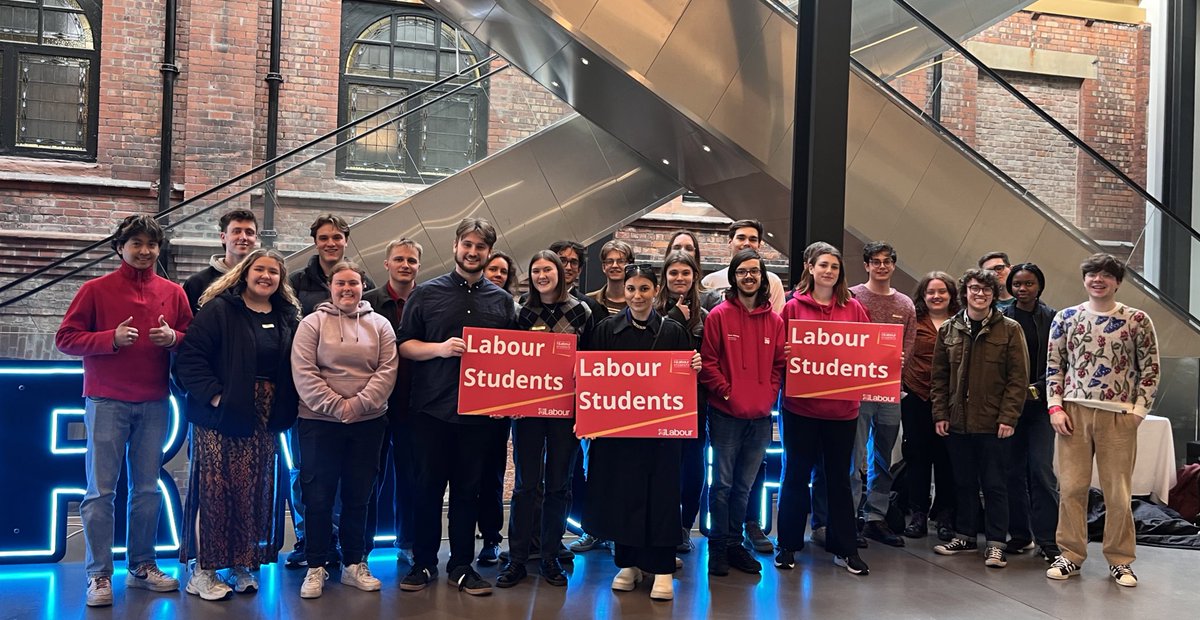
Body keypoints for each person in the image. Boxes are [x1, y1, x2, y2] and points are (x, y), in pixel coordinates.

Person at [56, 214, 192, 607]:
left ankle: (142, 565)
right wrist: (109, 339)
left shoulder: (173, 292)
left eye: (151, 244)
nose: (145, 251)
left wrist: (174, 338)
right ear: (120, 247)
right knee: (100, 491)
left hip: (154, 402)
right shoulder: (94, 290)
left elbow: (192, 339)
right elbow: (65, 338)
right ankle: (98, 574)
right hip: (105, 400)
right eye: (136, 243)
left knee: (147, 490)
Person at [396, 217, 516, 596]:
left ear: (489, 253)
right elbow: (405, 345)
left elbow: (511, 361)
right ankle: (423, 564)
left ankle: (461, 566)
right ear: (455, 246)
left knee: (469, 493)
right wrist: (441, 349)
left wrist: (505, 401)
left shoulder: (503, 302)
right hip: (431, 411)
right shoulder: (426, 294)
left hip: (479, 416)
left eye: (481, 246)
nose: (473, 251)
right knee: (427, 490)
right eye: (468, 244)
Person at [174, 249, 301, 600]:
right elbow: (191, 357)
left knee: (252, 491)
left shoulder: (287, 316)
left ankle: (240, 562)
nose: (266, 276)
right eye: (259, 269)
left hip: (264, 417)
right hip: (219, 416)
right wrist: (216, 397)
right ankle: (204, 570)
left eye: (273, 272)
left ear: (281, 279)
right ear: (244, 273)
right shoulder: (220, 310)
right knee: (215, 491)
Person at [584, 263, 702, 602]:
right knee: (624, 493)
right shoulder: (606, 330)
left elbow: (686, 382)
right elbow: (594, 378)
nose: (637, 296)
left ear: (656, 290)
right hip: (619, 434)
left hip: (663, 433)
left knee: (664, 494)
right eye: (632, 289)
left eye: (644, 289)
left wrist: (694, 366)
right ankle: (629, 563)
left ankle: (662, 567)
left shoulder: (674, 330)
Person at [1045, 253, 1159, 587]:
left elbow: (1150, 369)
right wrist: (1055, 406)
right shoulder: (1066, 318)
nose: (1098, 280)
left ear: (1117, 282)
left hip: (1118, 416)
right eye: (1093, 274)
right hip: (1073, 414)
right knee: (1072, 488)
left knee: (1118, 492)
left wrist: (1138, 412)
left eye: (1106, 275)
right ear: (1085, 279)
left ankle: (1121, 560)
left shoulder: (1136, 320)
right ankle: (1070, 554)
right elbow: (1054, 365)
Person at [290, 260, 398, 599]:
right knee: (317, 498)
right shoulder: (311, 324)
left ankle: (354, 563)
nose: (347, 289)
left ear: (363, 285)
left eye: (353, 283)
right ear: (331, 288)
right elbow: (304, 372)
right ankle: (316, 566)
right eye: (341, 284)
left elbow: (387, 371)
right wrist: (339, 407)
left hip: (368, 424)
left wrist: (359, 405)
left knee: (358, 496)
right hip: (318, 423)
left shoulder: (381, 325)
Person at [284, 213, 376, 570]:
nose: (330, 243)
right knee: (307, 476)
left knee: (351, 482)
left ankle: (342, 543)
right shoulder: (295, 282)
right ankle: (310, 541)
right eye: (324, 237)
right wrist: (324, 398)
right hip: (311, 403)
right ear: (315, 241)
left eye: (337, 237)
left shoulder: (361, 282)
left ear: (346, 240)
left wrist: (356, 403)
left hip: (360, 409)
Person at [497, 251, 592, 589]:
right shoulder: (521, 312)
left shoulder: (581, 311)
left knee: (559, 486)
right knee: (525, 485)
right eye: (535, 270)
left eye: (547, 269)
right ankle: (518, 558)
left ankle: (551, 557)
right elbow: (511, 360)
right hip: (529, 412)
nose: (541, 275)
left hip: (566, 412)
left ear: (560, 273)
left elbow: (592, 364)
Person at [775, 242, 871, 576]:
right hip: (800, 408)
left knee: (839, 481)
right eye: (823, 265)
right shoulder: (791, 307)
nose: (829, 271)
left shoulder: (854, 308)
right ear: (810, 268)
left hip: (843, 410)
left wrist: (887, 363)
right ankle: (787, 545)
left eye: (834, 266)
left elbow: (866, 352)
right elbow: (778, 352)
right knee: (795, 476)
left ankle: (845, 548)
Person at [931, 269, 1028, 570]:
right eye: (974, 288)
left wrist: (1009, 417)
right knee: (963, 482)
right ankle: (965, 535)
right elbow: (939, 377)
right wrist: (940, 414)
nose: (980, 294)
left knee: (995, 484)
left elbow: (1018, 379)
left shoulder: (1010, 329)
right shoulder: (948, 329)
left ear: (994, 294)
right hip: (957, 421)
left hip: (993, 423)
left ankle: (997, 543)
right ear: (965, 292)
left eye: (987, 289)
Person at [699, 249, 784, 577]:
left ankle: (736, 544)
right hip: (725, 415)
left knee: (745, 486)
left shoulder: (774, 321)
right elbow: (707, 363)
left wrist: (768, 395)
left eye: (755, 272)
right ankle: (717, 547)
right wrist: (727, 392)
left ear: (763, 277)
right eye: (742, 272)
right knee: (721, 484)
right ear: (733, 277)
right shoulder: (719, 315)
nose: (749, 277)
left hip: (760, 417)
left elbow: (778, 365)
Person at [844, 242, 915, 548]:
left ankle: (875, 517)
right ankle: (848, 518)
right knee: (854, 456)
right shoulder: (853, 296)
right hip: (858, 390)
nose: (882, 266)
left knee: (883, 457)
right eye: (876, 261)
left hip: (890, 390)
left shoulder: (905, 305)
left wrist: (900, 361)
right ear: (866, 265)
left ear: (894, 265)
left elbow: (908, 345)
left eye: (887, 261)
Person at [362, 238, 422, 566]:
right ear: (386, 264)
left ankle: (408, 542)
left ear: (418, 266)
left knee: (412, 477)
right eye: (399, 259)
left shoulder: (429, 299)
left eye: (411, 261)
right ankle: (361, 547)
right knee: (370, 476)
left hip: (416, 405)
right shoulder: (367, 302)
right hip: (374, 404)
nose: (405, 265)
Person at [1002, 263, 1061, 563]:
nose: (1022, 289)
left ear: (1039, 286)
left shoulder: (1053, 318)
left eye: (1029, 283)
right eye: (1017, 284)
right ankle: (1020, 534)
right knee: (1011, 471)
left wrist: (1035, 389)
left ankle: (1048, 539)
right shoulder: (1001, 317)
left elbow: (1059, 362)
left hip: (1040, 407)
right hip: (1008, 407)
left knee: (1040, 469)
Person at [655, 250, 709, 555]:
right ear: (665, 277)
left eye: (685, 273)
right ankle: (663, 524)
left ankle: (685, 526)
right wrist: (675, 319)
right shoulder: (653, 309)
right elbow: (649, 351)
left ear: (694, 276)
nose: (679, 279)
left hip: (695, 403)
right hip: (660, 403)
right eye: (673, 273)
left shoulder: (707, 313)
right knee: (664, 467)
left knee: (692, 466)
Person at [900, 272, 960, 541]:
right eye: (931, 292)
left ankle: (946, 516)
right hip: (916, 396)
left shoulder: (961, 322)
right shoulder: (914, 320)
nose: (937, 296)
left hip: (950, 400)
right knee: (917, 459)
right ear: (923, 296)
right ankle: (918, 515)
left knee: (947, 460)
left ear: (951, 295)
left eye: (942, 291)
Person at [477, 250, 517, 565]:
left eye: (504, 271)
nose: (498, 275)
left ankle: (492, 539)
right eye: (493, 269)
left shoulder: (512, 311)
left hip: (498, 411)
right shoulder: (465, 306)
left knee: (492, 476)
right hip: (460, 407)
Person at [700, 219, 785, 313]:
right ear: (730, 242)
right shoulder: (710, 282)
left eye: (753, 239)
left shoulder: (773, 282)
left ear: (759, 245)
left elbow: (778, 319)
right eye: (741, 238)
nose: (747, 243)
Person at [182, 209, 259, 313]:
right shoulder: (197, 282)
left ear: (255, 239)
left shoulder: (263, 280)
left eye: (249, 233)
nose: (243, 237)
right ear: (223, 237)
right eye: (236, 231)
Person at [550, 239, 607, 319]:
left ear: (579, 270)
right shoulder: (529, 302)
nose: (568, 267)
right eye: (562, 261)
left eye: (574, 262)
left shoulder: (590, 307)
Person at [588, 239, 634, 315]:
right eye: (610, 261)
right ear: (603, 267)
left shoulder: (637, 301)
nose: (615, 265)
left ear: (630, 266)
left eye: (621, 261)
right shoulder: (590, 300)